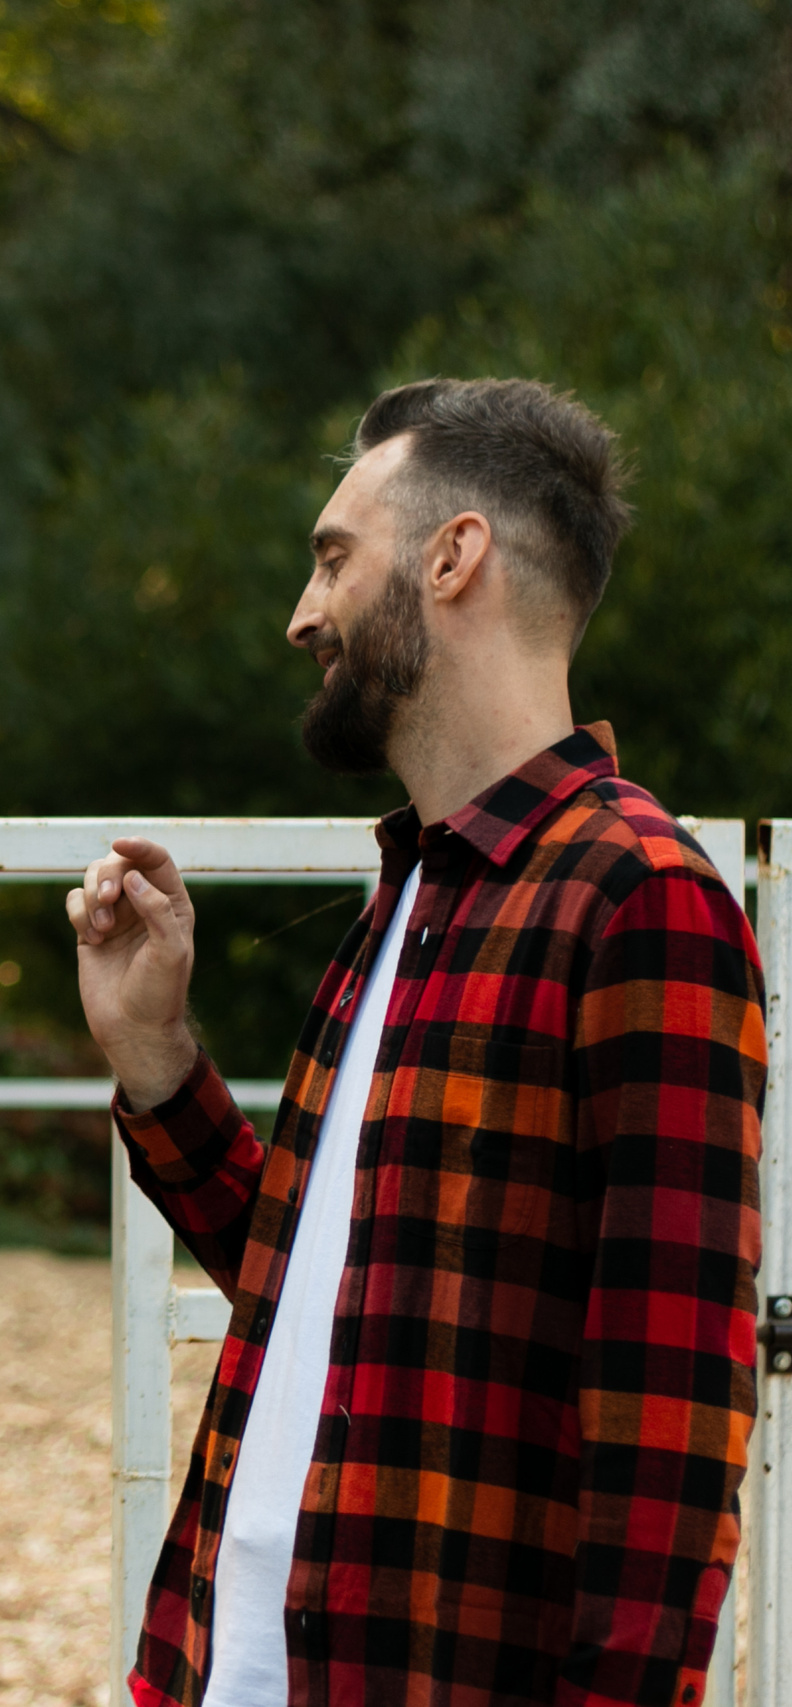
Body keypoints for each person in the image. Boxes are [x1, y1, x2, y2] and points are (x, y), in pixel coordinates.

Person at [69, 380, 762, 1705]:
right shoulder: (414, 892)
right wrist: (156, 1055)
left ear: (455, 555)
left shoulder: (641, 896)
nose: (301, 613)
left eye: (335, 555)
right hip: (240, 1656)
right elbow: (315, 1289)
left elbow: (670, 1427)